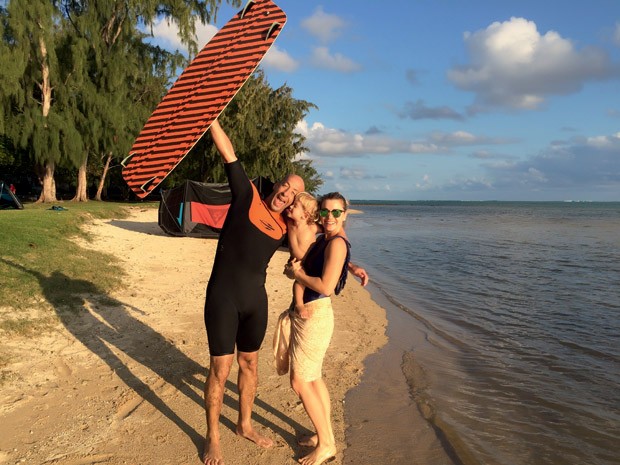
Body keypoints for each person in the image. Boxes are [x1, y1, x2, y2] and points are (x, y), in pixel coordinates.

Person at [203, 120, 368, 465]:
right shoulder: (246, 195)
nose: (286, 195)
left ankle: (245, 424)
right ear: (276, 184)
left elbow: (317, 248)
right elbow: (229, 153)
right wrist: (212, 119)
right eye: (284, 187)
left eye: (293, 194)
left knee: (250, 364)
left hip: (254, 302)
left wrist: (349, 266)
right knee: (220, 369)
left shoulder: (283, 227)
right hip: (222, 297)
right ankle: (213, 438)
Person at [284, 192, 352, 465]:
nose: (329, 217)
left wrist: (296, 274)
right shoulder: (327, 239)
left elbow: (326, 286)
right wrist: (354, 267)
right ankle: (323, 434)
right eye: (325, 211)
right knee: (313, 378)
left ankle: (326, 444)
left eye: (336, 212)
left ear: (345, 214)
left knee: (299, 381)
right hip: (312, 315)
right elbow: (322, 263)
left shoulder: (336, 243)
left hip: (315, 314)